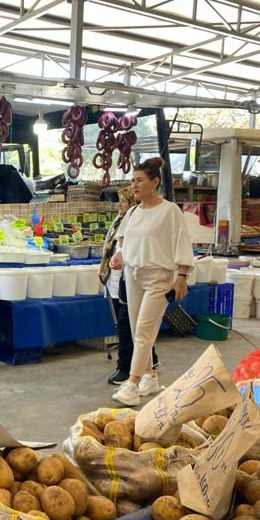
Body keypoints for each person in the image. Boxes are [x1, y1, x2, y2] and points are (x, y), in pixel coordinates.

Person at [109, 157, 193, 406]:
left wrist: (182, 277)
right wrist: (119, 255)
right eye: (133, 181)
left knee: (145, 330)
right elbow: (124, 240)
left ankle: (132, 384)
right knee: (137, 331)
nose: (135, 185)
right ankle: (149, 377)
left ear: (154, 182)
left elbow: (182, 245)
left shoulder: (170, 211)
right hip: (134, 275)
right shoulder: (133, 211)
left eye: (140, 180)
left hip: (160, 276)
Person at [99, 188, 158, 386]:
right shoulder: (122, 220)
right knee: (132, 325)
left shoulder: (142, 221)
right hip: (116, 279)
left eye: (123, 201)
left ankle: (126, 368)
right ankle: (151, 360)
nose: (119, 205)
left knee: (129, 325)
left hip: (132, 278)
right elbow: (118, 246)